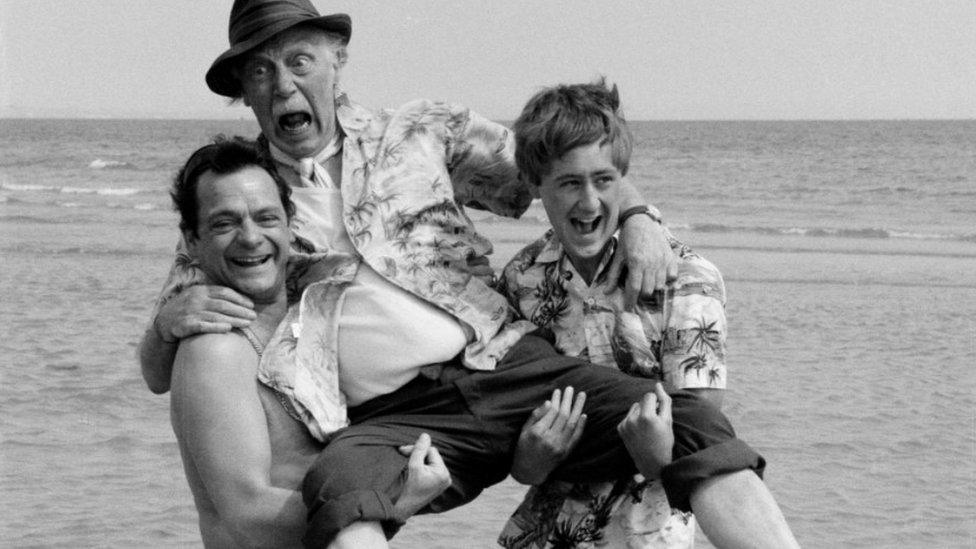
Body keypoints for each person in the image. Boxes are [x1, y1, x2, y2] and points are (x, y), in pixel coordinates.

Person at [139, 1, 797, 547]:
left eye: (299, 61)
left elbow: (558, 168)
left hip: (509, 364)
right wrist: (165, 326)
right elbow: (158, 363)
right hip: (395, 415)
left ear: (337, 61)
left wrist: (638, 214)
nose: (282, 85)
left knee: (686, 422)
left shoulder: (421, 130)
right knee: (340, 492)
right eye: (260, 71)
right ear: (244, 92)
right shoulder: (243, 202)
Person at [166, 137, 452, 548]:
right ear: (191, 240)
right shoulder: (217, 351)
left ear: (290, 223)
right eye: (224, 223)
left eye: (266, 218)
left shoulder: (305, 321)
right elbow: (247, 512)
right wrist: (395, 504)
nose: (250, 237)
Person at [495, 81, 733, 548]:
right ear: (535, 185)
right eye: (568, 183)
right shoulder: (520, 279)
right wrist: (530, 457)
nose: (589, 202)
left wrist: (654, 456)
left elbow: (701, 443)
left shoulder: (687, 278)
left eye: (604, 181)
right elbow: (517, 458)